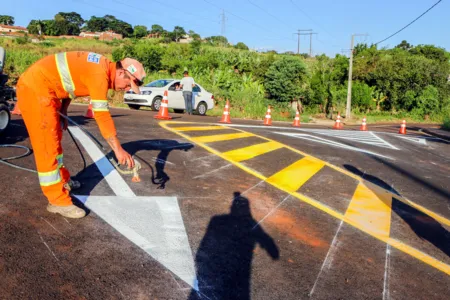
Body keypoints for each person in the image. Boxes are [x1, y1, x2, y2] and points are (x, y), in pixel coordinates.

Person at [16, 51, 146, 219]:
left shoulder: (101, 67)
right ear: (121, 73)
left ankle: (62, 181)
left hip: (47, 89)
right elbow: (102, 115)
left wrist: (63, 108)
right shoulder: (99, 74)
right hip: (36, 90)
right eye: (128, 85)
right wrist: (118, 150)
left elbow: (71, 84)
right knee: (46, 145)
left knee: (55, 139)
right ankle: (57, 201)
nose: (126, 89)